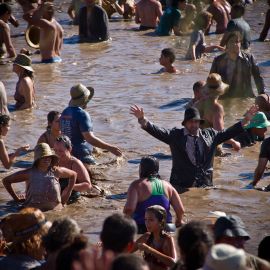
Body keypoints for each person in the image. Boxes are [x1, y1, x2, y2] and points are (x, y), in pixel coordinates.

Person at [130, 104, 257, 191]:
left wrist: (246, 120)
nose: (194, 124)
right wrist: (142, 119)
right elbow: (157, 131)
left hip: (205, 185)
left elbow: (229, 132)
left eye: (196, 121)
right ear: (185, 123)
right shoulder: (175, 136)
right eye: (191, 122)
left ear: (200, 123)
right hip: (180, 185)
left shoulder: (210, 135)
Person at [60, 84, 122, 169]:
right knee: (109, 169)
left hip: (67, 153)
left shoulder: (64, 112)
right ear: (85, 99)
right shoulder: (82, 114)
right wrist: (110, 148)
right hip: (82, 155)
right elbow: (89, 138)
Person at [2, 143, 76, 211]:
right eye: (44, 157)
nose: (47, 159)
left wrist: (67, 193)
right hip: (33, 213)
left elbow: (73, 175)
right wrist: (16, 199)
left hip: (56, 211)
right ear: (38, 159)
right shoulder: (29, 173)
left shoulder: (56, 171)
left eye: (49, 157)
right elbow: (6, 181)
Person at [124, 156, 185, 233]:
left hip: (143, 227)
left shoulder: (137, 185)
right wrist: (179, 221)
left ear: (141, 168)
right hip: (167, 227)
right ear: (157, 169)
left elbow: (129, 209)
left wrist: (125, 224)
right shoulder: (168, 185)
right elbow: (180, 210)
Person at [210, 32, 265, 98]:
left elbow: (258, 77)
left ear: (240, 43)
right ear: (227, 45)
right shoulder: (218, 60)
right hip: (225, 97)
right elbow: (211, 80)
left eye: (237, 42)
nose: (234, 44)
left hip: (245, 97)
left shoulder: (249, 58)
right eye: (231, 42)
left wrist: (262, 94)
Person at [195, 73, 241, 153]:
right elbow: (218, 134)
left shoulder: (197, 104)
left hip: (196, 147)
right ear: (220, 90)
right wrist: (234, 142)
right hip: (211, 150)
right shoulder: (217, 108)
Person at [133, 205, 177, 270]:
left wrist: (149, 249)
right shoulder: (146, 237)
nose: (147, 223)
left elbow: (173, 263)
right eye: (145, 219)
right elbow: (127, 251)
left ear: (161, 221)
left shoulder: (167, 240)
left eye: (151, 220)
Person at [54, 135, 92, 203]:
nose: (57, 153)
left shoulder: (75, 164)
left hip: (73, 195)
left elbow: (88, 186)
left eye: (60, 151)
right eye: (55, 150)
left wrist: (70, 187)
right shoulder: (54, 161)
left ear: (69, 149)